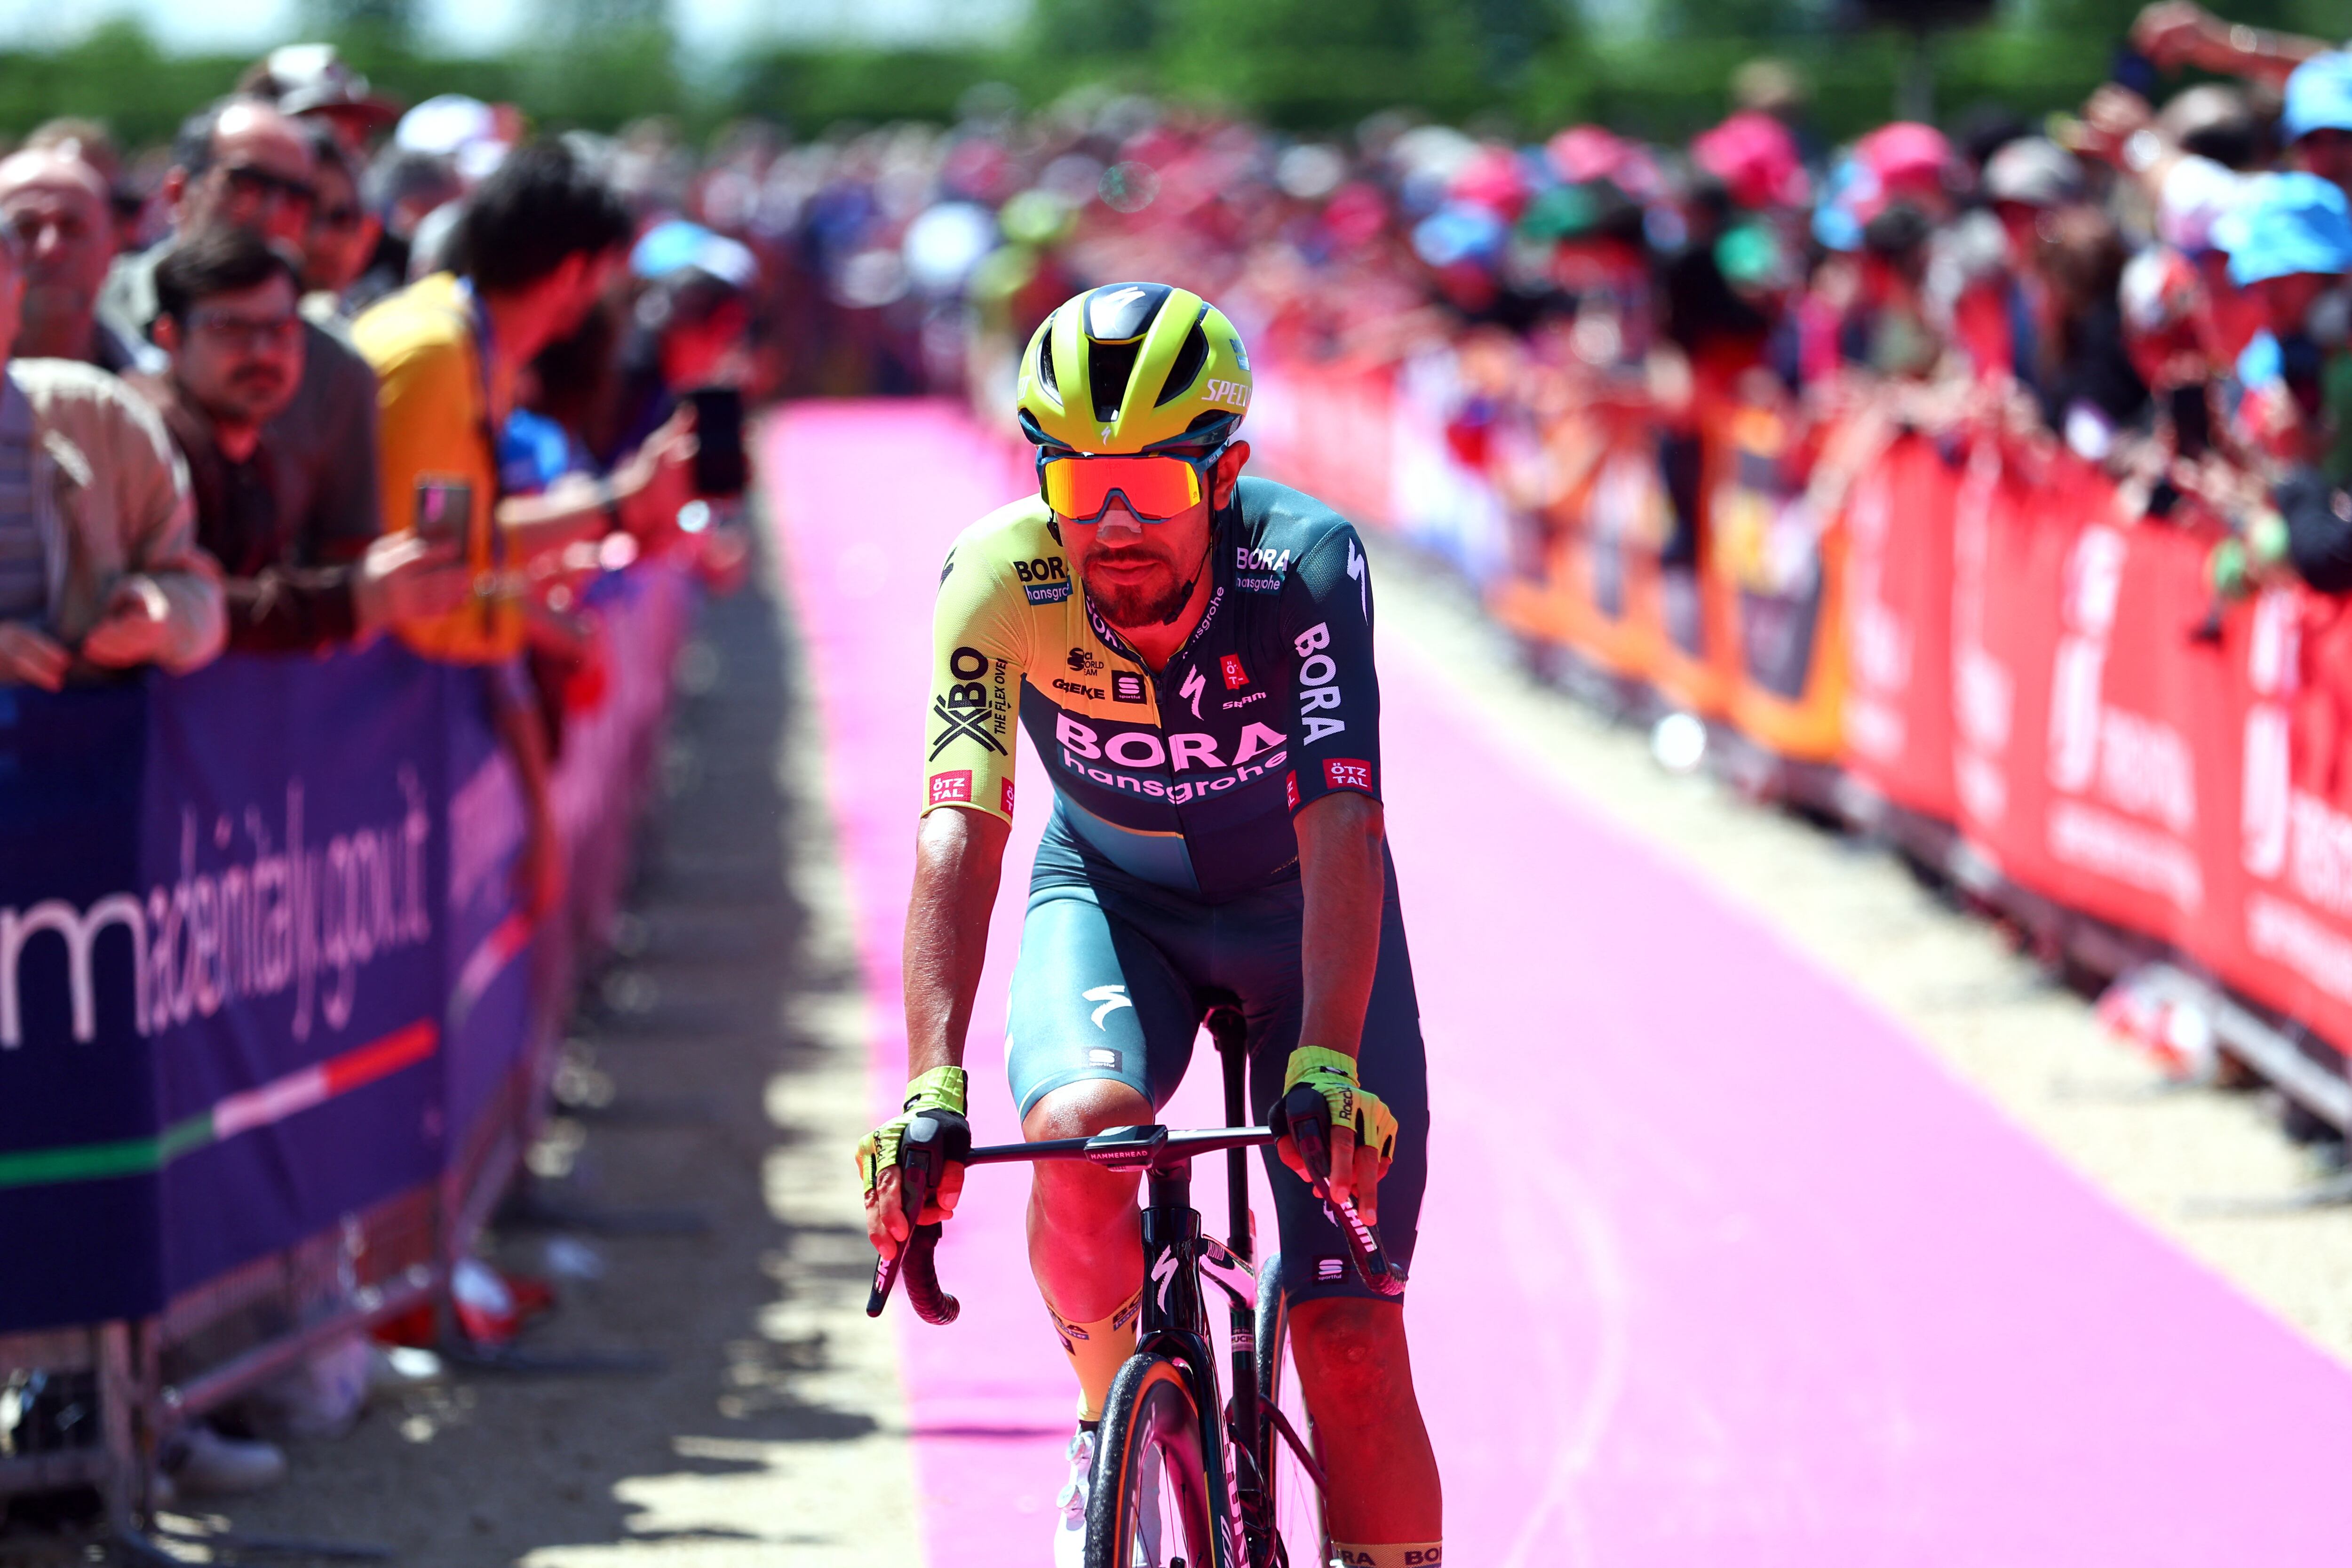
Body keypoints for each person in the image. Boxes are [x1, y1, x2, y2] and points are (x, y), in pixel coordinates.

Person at [859, 283, 1442, 1568]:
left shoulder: (1301, 561)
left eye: (1153, 489)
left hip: (1305, 924)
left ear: (1226, 472)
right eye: (1082, 485)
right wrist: (930, 1087)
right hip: (1116, 902)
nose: (1113, 525)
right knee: (1073, 1135)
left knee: (1347, 1332)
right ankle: (1113, 1435)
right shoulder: (998, 570)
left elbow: (1346, 821)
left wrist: (1329, 1059)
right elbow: (960, 825)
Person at [351, 139, 697, 917]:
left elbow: (461, 543)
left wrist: (618, 502)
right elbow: (429, 587)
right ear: (577, 272)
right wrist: (540, 623)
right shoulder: (438, 353)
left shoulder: (463, 340)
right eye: (611, 274)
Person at [136, 226, 463, 652]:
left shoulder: (255, 446)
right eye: (229, 328)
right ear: (170, 338)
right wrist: (347, 601)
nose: (264, 352)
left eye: (282, 328)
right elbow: (169, 611)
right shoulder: (148, 440)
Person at [101, 97, 385, 575]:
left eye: (298, 197)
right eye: (247, 184)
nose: (273, 212)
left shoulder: (335, 370)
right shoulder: (94, 313)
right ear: (177, 191)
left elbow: (345, 569)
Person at [0, 224, 222, 690]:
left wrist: (159, 618)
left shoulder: (103, 416)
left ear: (16, 293)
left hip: (78, 747)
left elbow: (201, 600)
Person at [0, 148, 142, 372]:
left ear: (113, 246)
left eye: (73, 228)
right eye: (25, 229)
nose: (50, 248)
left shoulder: (174, 393)